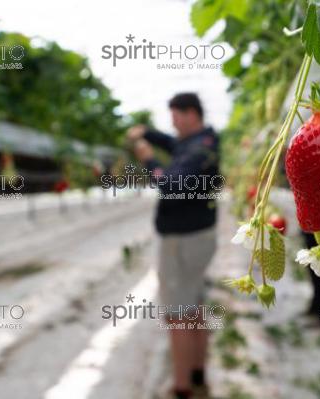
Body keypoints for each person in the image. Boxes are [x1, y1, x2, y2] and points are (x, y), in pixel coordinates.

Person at [127, 93, 220, 399]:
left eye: (176, 117)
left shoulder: (197, 151)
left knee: (178, 314)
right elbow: (170, 142)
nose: (173, 124)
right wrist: (147, 134)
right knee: (193, 305)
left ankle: (181, 389)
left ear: (191, 113)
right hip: (199, 236)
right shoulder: (201, 142)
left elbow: (169, 184)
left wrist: (147, 158)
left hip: (182, 241)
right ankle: (197, 373)